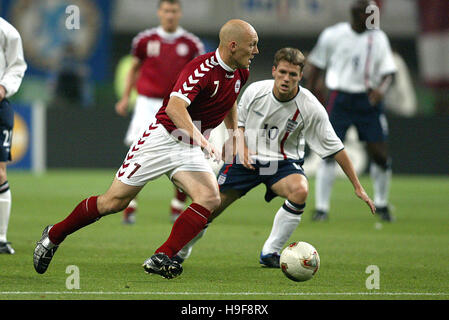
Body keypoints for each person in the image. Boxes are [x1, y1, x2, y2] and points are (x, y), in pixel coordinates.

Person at [33, 19, 259, 279]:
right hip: (161, 139)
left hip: (188, 147)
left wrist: (234, 136)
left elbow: (231, 99)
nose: (256, 51)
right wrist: (203, 139)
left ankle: (162, 256)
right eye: (252, 45)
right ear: (233, 46)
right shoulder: (202, 68)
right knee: (113, 202)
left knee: (210, 197)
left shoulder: (241, 71)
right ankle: (54, 235)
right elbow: (175, 108)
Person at [173, 47, 376, 268]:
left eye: (292, 74)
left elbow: (337, 148)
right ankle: (180, 251)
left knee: (300, 190)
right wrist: (241, 147)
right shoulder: (255, 91)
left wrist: (358, 186)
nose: (286, 78)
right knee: (208, 207)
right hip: (245, 159)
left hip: (281, 163)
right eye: (282, 72)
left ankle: (271, 252)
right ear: (274, 71)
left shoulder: (311, 106)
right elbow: (237, 124)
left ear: (301, 76)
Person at [115, 0, 205, 224]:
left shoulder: (191, 43)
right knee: (138, 151)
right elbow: (134, 69)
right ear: (159, 12)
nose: (170, 15)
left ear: (179, 13)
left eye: (174, 11)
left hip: (177, 105)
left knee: (183, 152)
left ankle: (177, 207)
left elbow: (199, 77)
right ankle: (129, 206)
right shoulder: (144, 40)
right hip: (146, 103)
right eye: (166, 10)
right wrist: (126, 98)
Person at [306, 0, 397, 222]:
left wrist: (381, 91)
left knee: (380, 155)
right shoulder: (333, 35)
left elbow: (389, 73)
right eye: (366, 13)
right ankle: (322, 208)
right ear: (355, 14)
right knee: (329, 154)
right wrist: (309, 97)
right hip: (340, 99)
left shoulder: (379, 38)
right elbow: (316, 67)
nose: (370, 18)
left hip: (368, 100)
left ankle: (382, 204)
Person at [0, 18, 27, 254]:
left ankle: (1, 237)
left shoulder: (6, 31)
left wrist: (3, 88)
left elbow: (18, 65)